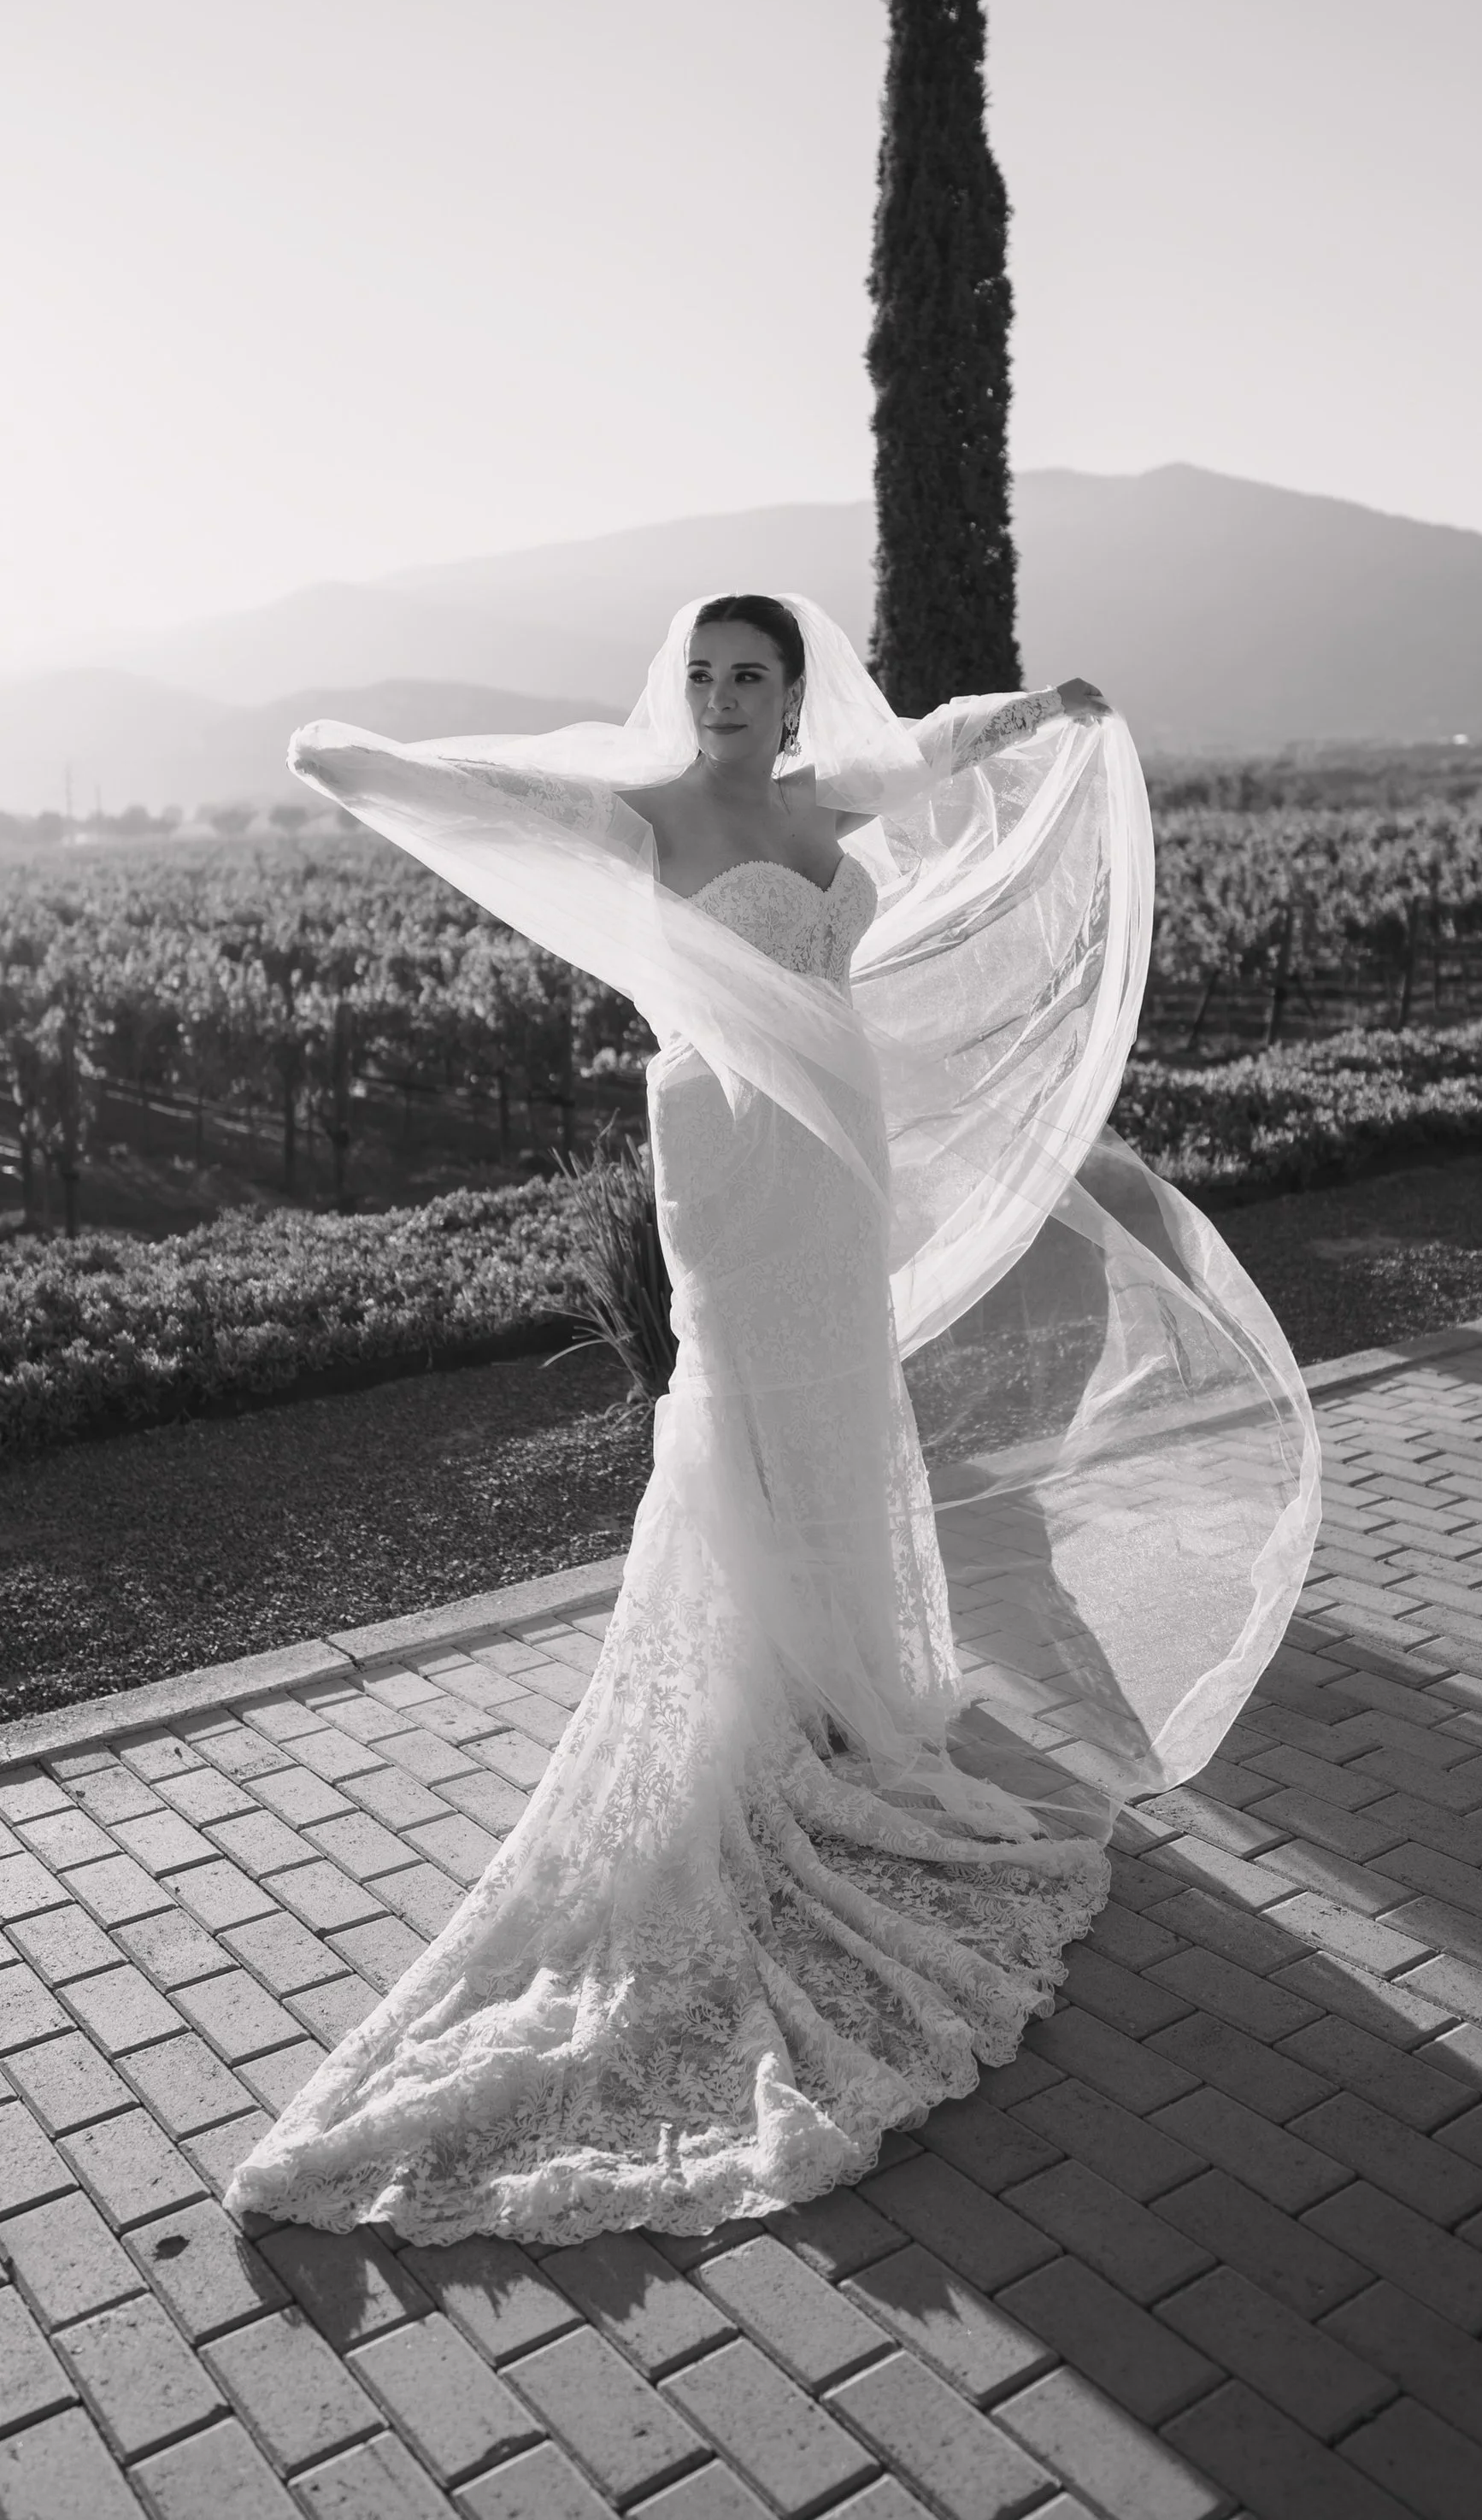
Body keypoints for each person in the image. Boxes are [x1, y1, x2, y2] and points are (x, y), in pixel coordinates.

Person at [224, 591, 1319, 2247]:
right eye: (706, 675)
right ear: (681, 687)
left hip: (837, 1144)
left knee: (839, 1405)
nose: (726, 697)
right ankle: (752, 1717)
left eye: (753, 677)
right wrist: (358, 757)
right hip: (728, 1146)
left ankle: (833, 1689)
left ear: (794, 694)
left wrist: (1039, 711)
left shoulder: (822, 798)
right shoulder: (645, 810)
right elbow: (494, 795)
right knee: (740, 1408)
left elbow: (934, 747)